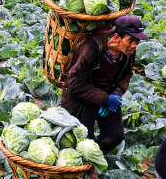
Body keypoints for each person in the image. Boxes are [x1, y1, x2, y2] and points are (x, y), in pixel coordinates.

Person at [61, 14, 147, 154]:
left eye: (137, 41)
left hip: (109, 96)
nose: (134, 45)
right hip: (83, 99)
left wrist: (117, 93)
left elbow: (127, 74)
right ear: (116, 37)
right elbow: (74, 82)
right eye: (131, 40)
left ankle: (95, 156)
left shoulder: (129, 51)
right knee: (83, 139)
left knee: (115, 136)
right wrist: (104, 99)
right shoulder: (92, 47)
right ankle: (83, 167)